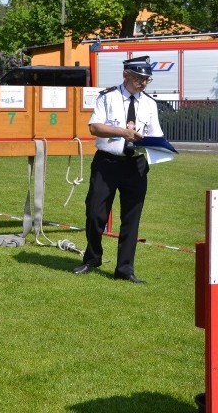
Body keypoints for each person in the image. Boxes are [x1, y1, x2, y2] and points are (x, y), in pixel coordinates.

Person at [72, 56, 164, 284]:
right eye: (138, 78)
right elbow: (94, 127)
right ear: (126, 75)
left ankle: (124, 269)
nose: (142, 83)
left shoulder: (150, 104)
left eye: (146, 79)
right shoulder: (108, 98)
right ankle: (92, 258)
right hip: (108, 163)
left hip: (135, 165)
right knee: (95, 213)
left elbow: (156, 134)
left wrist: (161, 146)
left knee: (131, 218)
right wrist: (123, 132)